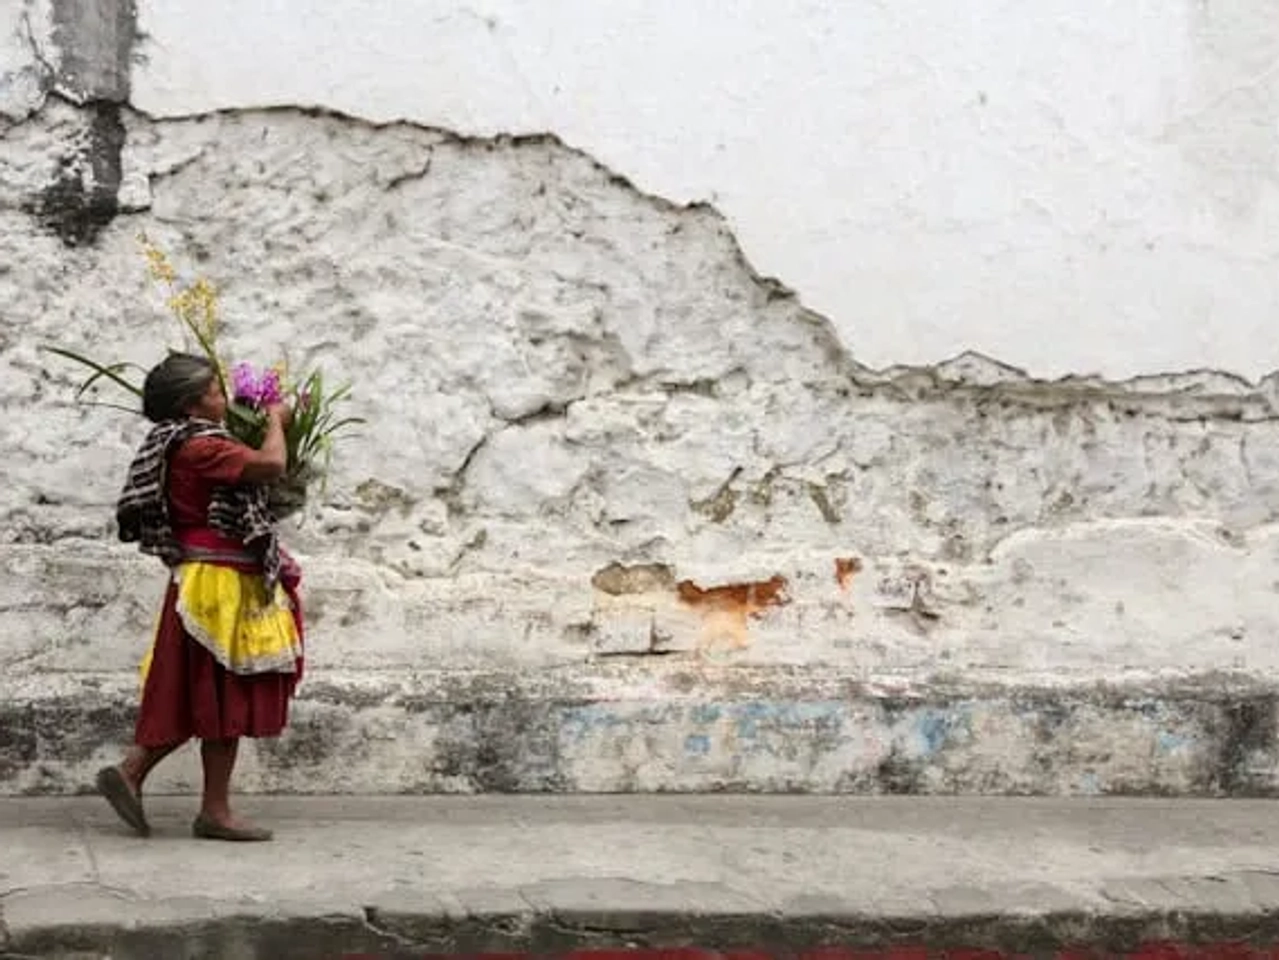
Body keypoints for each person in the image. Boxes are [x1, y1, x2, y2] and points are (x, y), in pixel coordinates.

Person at [96, 352, 304, 842]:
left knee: (206, 691)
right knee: (220, 692)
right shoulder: (201, 448)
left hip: (204, 578)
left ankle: (155, 781)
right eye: (214, 391)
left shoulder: (176, 442)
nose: (223, 397)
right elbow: (271, 464)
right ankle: (201, 805)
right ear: (192, 405)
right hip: (219, 586)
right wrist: (276, 419)